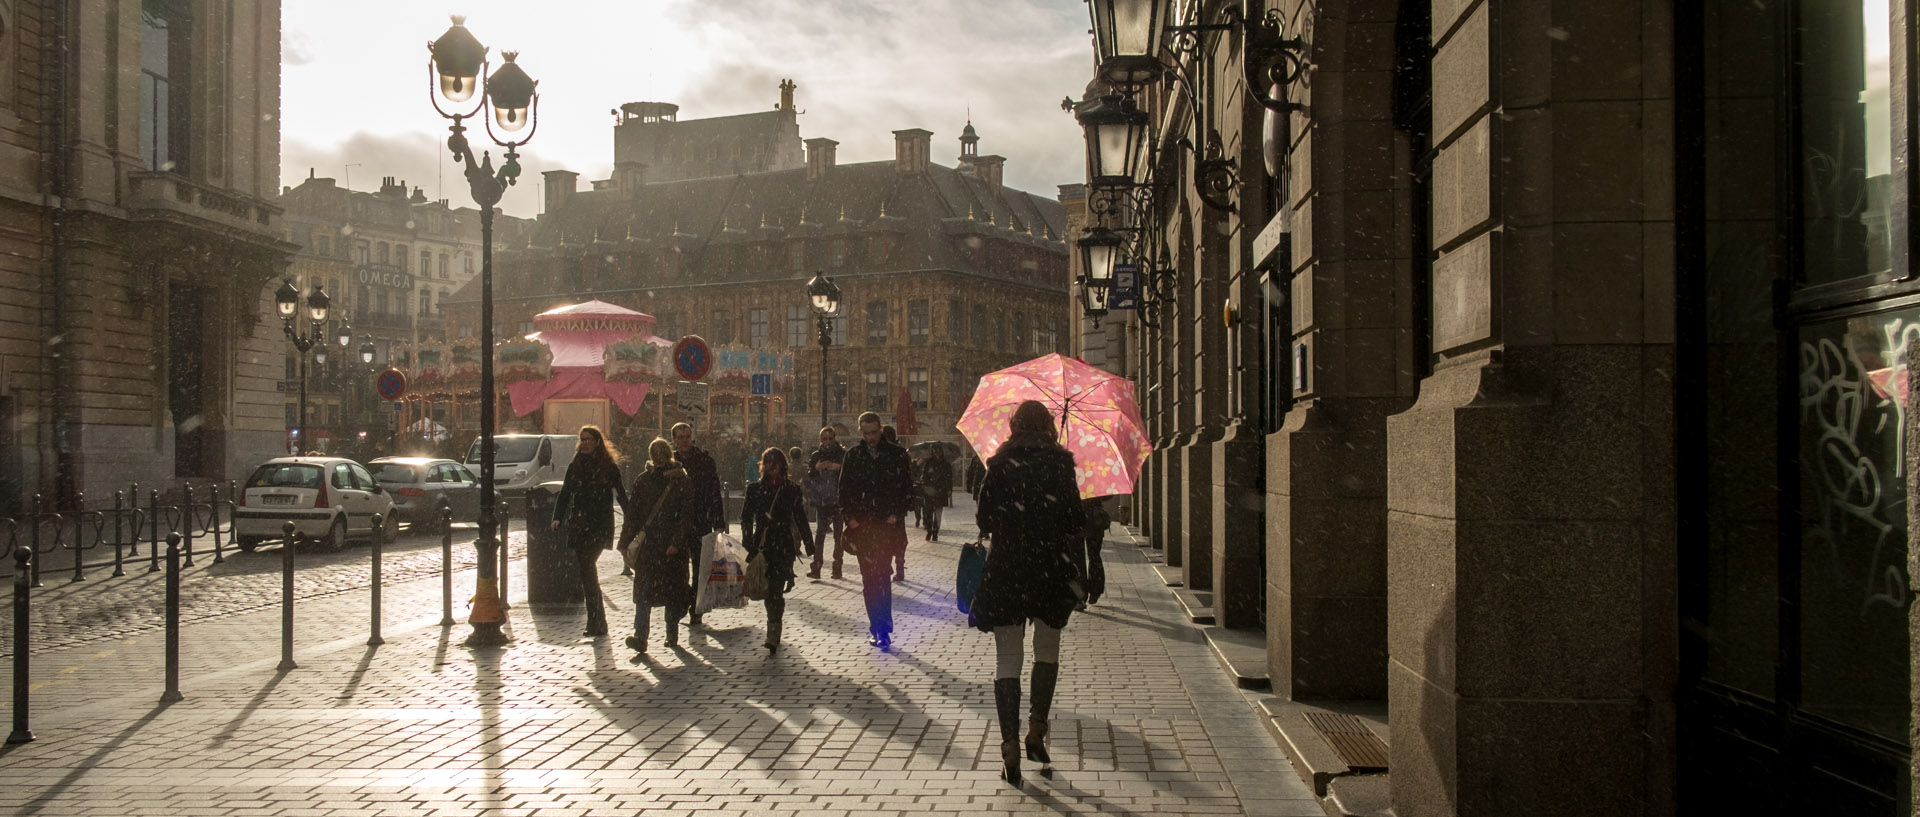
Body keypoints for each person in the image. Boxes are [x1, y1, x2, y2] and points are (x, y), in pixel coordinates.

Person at [972, 400, 1086, 787]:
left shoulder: (1000, 464)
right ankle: (1037, 727)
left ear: (1013, 425)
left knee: (1008, 657)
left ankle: (1008, 747)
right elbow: (1074, 519)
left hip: (1006, 567)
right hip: (1048, 568)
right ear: (1049, 425)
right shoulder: (1061, 463)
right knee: (1047, 648)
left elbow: (984, 520)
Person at [839, 411, 912, 648]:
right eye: (866, 433)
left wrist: (895, 514)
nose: (871, 437)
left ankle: (884, 627)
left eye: (874, 432)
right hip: (862, 527)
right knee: (869, 579)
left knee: (882, 576)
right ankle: (876, 627)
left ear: (881, 429)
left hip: (886, 526)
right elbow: (844, 491)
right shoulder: (854, 456)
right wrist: (850, 519)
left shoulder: (896, 455)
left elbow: (906, 490)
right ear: (860, 432)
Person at [548, 425, 629, 639]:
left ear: (597, 442)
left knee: (587, 567)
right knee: (586, 571)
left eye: (588, 439)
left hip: (599, 523)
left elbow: (620, 494)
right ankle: (597, 620)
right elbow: (565, 493)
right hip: (580, 522)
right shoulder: (576, 465)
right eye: (581, 439)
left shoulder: (609, 466)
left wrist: (632, 518)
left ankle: (596, 620)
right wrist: (557, 516)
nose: (584, 443)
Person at [617, 438, 692, 653]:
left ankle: (671, 632)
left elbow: (686, 516)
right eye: (655, 452)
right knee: (644, 592)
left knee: (672, 591)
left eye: (662, 452)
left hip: (670, 548)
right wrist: (624, 542)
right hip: (649, 546)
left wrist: (676, 542)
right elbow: (632, 515)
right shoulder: (643, 480)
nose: (658, 457)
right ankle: (640, 636)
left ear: (669, 454)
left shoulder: (681, 481)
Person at [740, 447, 815, 652]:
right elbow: (746, 517)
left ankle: (773, 629)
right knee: (767, 589)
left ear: (783, 465)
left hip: (782, 545)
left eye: (775, 462)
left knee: (775, 590)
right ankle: (773, 622)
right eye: (767, 462)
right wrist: (748, 541)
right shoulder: (755, 489)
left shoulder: (791, 489)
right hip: (762, 546)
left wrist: (809, 544)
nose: (771, 466)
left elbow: (799, 517)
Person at [671, 422, 726, 628]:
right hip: (676, 524)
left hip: (700, 520)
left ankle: (695, 609)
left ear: (692, 438)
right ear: (674, 440)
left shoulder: (704, 460)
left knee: (699, 569)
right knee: (678, 569)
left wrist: (719, 522)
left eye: (687, 436)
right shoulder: (671, 462)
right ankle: (684, 602)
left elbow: (714, 491)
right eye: (680, 437)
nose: (684, 440)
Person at [804, 426, 847, 580]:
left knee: (838, 535)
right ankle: (817, 565)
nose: (828, 442)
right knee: (820, 534)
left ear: (835, 438)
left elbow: (849, 474)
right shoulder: (816, 455)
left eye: (830, 438)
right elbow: (809, 476)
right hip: (821, 500)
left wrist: (839, 468)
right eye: (824, 438)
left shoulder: (842, 454)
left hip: (837, 500)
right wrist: (816, 468)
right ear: (820, 440)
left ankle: (837, 566)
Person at [881, 424, 910, 583]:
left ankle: (889, 566)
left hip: (886, 503)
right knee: (898, 538)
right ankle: (898, 566)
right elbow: (906, 480)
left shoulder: (886, 454)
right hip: (897, 504)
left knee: (886, 538)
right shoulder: (900, 453)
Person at [1074, 496, 1111, 609]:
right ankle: (1095, 590)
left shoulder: (1070, 479)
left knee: (1078, 560)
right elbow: (1108, 495)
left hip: (1076, 521)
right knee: (1094, 556)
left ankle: (1080, 598)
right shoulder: (1097, 478)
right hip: (1094, 521)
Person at [920, 446, 953, 541]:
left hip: (941, 491)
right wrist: (926, 480)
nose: (937, 454)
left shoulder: (946, 464)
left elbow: (949, 478)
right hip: (930, 491)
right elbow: (924, 476)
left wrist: (949, 489)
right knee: (929, 512)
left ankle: (935, 532)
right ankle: (929, 530)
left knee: (938, 513)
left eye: (939, 452)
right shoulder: (929, 463)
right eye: (935, 452)